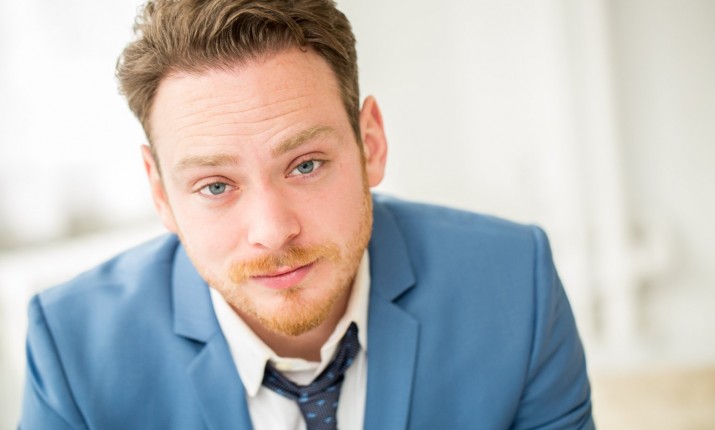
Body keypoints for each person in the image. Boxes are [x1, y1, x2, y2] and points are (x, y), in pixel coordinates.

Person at [20, 0, 594, 428]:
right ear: (161, 193)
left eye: (306, 165)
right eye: (216, 185)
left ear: (370, 144)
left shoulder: (516, 285)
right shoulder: (71, 350)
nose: (272, 232)